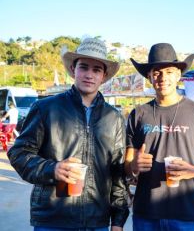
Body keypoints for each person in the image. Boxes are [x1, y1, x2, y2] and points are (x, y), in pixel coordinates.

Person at [7, 38, 129, 230]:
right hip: (52, 220)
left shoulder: (114, 118)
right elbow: (18, 153)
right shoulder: (45, 108)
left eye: (96, 69)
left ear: (104, 76)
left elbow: (117, 173)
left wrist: (119, 221)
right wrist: (52, 169)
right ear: (73, 70)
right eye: (84, 67)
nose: (89, 74)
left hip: (97, 222)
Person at [125, 43, 194, 231]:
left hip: (187, 214)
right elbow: (128, 166)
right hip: (146, 214)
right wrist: (134, 166)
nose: (163, 77)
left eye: (169, 72)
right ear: (149, 76)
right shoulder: (138, 114)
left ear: (178, 75)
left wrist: (192, 170)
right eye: (157, 72)